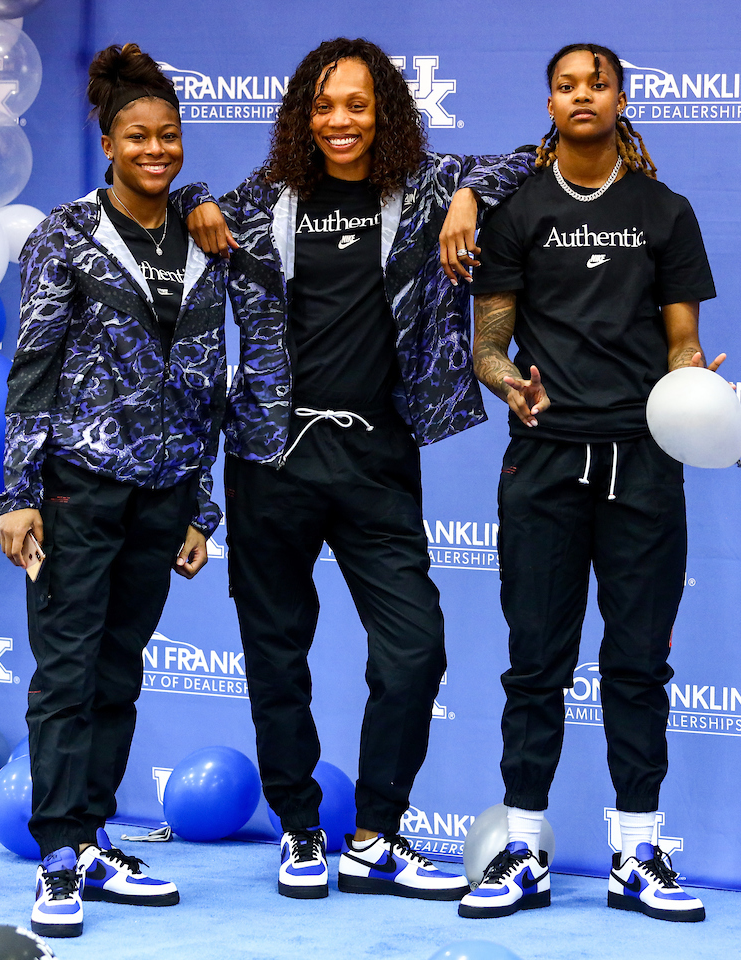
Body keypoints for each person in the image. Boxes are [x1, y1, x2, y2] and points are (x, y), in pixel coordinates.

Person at [209, 37, 533, 902]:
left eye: (357, 105)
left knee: (414, 650)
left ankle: (376, 833)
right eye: (324, 105)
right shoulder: (261, 199)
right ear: (301, 117)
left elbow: (528, 159)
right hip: (269, 457)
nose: (339, 121)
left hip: (374, 452)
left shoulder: (421, 189)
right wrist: (200, 206)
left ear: (384, 111)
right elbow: (186, 207)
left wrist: (466, 194)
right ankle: (300, 831)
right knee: (276, 653)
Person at [459, 43, 720, 923]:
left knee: (638, 664)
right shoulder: (518, 212)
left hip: (643, 462)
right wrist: (505, 379)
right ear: (551, 101)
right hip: (544, 459)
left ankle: (637, 855)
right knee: (536, 661)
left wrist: (693, 381)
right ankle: (523, 851)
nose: (582, 96)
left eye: (596, 84)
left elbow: (681, 337)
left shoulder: (665, 210)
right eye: (566, 85)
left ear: (619, 98)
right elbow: (488, 341)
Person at [0, 43, 227, 938]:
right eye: (139, 136)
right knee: (66, 673)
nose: (156, 150)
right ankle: (56, 859)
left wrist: (200, 503)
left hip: (163, 491)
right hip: (76, 489)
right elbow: (34, 365)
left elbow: (207, 372)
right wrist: (19, 491)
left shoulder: (205, 233)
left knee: (119, 671)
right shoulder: (66, 233)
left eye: (169, 136)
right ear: (107, 141)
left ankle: (91, 838)